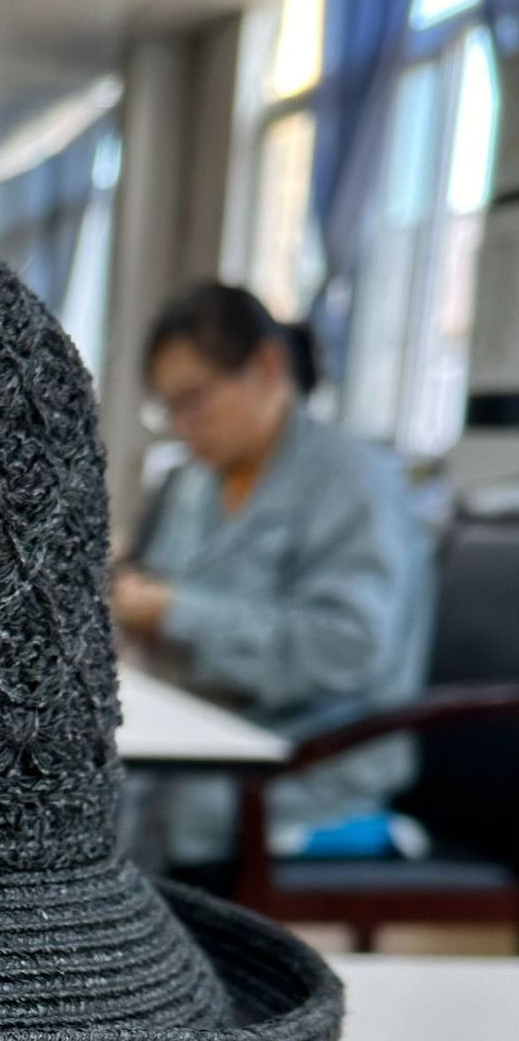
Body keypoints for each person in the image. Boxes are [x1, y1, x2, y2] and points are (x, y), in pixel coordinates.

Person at [112, 281, 432, 873]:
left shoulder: (353, 482)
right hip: (211, 737)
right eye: (169, 408)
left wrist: (175, 612)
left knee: (137, 808)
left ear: (266, 367)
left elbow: (344, 650)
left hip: (315, 760)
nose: (183, 425)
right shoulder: (192, 484)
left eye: (194, 400)